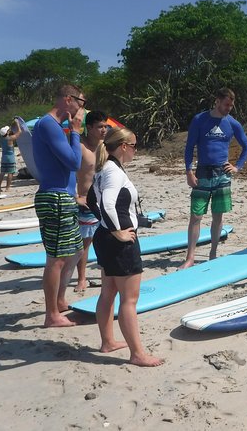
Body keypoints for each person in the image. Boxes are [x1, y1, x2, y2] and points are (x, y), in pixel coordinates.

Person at [90, 126, 163, 367]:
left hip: (104, 237)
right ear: (123, 147)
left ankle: (108, 342)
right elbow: (108, 205)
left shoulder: (104, 169)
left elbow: (92, 199)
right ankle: (137, 354)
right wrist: (118, 233)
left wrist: (106, 226)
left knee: (108, 292)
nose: (135, 150)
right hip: (119, 241)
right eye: (133, 145)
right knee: (129, 300)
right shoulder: (113, 172)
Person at [179, 87, 247, 269]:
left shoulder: (233, 123)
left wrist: (237, 166)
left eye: (231, 106)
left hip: (223, 174)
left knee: (217, 216)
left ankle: (213, 253)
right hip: (202, 171)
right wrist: (189, 171)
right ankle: (190, 257)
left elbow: (246, 147)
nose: (229, 108)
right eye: (226, 104)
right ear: (217, 101)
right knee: (196, 215)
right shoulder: (199, 119)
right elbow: (189, 148)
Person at [32, 84, 85, 327]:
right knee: (56, 259)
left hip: (64, 197)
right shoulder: (48, 124)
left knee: (75, 251)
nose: (82, 108)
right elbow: (74, 162)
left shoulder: (54, 126)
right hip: (54, 198)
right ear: (68, 100)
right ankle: (51, 314)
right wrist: (75, 131)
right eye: (80, 103)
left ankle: (60, 301)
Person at [74, 110, 109, 292]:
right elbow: (69, 172)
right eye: (100, 127)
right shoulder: (79, 146)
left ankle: (105, 275)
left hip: (104, 201)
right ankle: (81, 279)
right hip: (86, 202)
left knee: (104, 241)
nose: (104, 130)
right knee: (85, 243)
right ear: (89, 128)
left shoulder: (105, 147)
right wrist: (75, 196)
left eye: (106, 126)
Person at [0, 121, 22, 193]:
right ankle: (7, 188)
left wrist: (12, 124)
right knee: (10, 173)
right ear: (7, 132)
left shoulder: (2, 139)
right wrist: (17, 124)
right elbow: (19, 132)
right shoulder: (10, 138)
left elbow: (7, 132)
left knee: (2, 172)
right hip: (10, 157)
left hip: (4, 157)